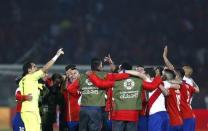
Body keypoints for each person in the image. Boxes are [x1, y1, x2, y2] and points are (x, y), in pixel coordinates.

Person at [86, 62, 162, 131]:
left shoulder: (116, 81)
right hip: (133, 114)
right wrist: (159, 76)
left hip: (118, 114)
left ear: (121, 70)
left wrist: (91, 75)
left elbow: (100, 84)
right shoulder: (138, 81)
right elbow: (153, 86)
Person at [19, 48, 64, 131]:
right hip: (31, 111)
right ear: (29, 70)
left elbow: (18, 94)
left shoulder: (22, 80)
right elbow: (46, 67)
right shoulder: (31, 77)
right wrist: (57, 55)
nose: (36, 68)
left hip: (28, 110)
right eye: (34, 66)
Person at [63, 64, 80, 131]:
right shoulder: (66, 85)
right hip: (71, 118)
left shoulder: (84, 84)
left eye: (75, 73)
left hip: (83, 117)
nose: (73, 75)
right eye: (70, 73)